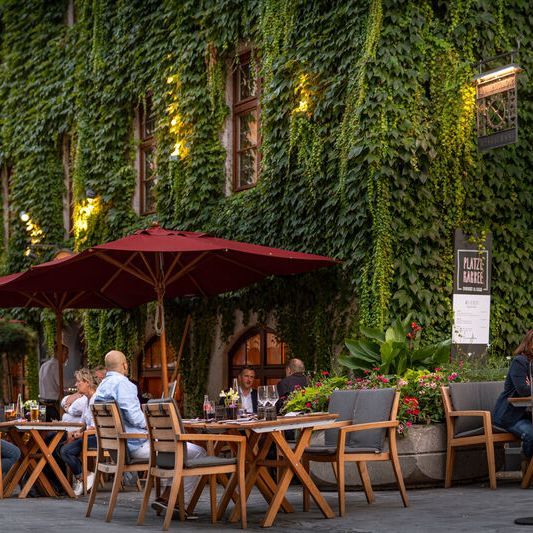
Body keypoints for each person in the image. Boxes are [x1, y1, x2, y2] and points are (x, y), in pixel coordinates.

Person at [93, 350, 205, 515]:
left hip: (117, 447)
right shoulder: (124, 384)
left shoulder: (101, 388)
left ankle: (167, 497)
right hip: (135, 445)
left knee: (171, 449)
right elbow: (134, 416)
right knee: (197, 452)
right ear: (125, 365)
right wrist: (154, 425)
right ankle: (178, 504)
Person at [493, 330, 533, 466]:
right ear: (529, 343)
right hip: (510, 415)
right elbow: (523, 390)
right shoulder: (520, 362)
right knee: (531, 434)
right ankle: (527, 465)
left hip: (526, 414)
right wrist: (529, 387)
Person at [60, 368, 99, 496]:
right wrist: (74, 433)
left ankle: (84, 476)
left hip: (97, 438)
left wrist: (79, 434)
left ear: (87, 382)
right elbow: (83, 424)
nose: (76, 385)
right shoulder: (87, 400)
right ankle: (84, 476)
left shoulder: (95, 400)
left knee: (66, 451)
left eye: (78, 382)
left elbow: (95, 427)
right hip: (89, 434)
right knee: (62, 446)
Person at [38, 343, 74, 421]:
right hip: (53, 405)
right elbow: (62, 384)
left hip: (42, 404)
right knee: (57, 428)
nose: (67, 357)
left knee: (42, 429)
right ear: (58, 353)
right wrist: (79, 381)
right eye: (65, 353)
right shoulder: (56, 365)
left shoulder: (44, 365)